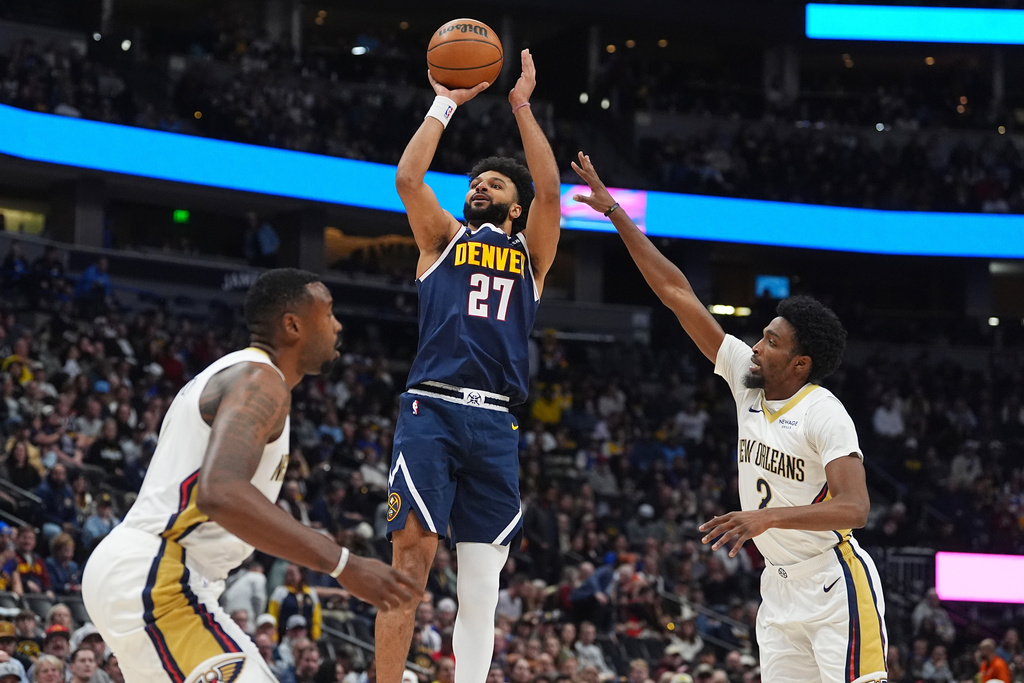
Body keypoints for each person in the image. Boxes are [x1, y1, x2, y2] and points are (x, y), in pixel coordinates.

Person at [571, 152, 887, 683]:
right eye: (761, 336)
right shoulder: (746, 376)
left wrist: (767, 519)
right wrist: (617, 215)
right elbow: (677, 293)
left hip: (836, 584)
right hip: (779, 589)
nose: (756, 346)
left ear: (800, 362)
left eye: (771, 341)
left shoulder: (824, 412)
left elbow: (855, 508)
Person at [82, 269, 417, 683]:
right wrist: (343, 564)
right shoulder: (261, 380)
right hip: (159, 577)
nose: (338, 324)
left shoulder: (244, 375)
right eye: (328, 312)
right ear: (293, 325)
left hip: (158, 577)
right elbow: (219, 492)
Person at [376, 49, 561, 683]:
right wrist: (445, 103)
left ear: (514, 209)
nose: (479, 186)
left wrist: (520, 107)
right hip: (433, 408)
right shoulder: (443, 238)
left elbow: (551, 194)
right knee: (412, 558)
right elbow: (407, 179)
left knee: (483, 581)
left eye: (495, 184)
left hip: (496, 424)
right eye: (475, 182)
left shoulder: (533, 256)